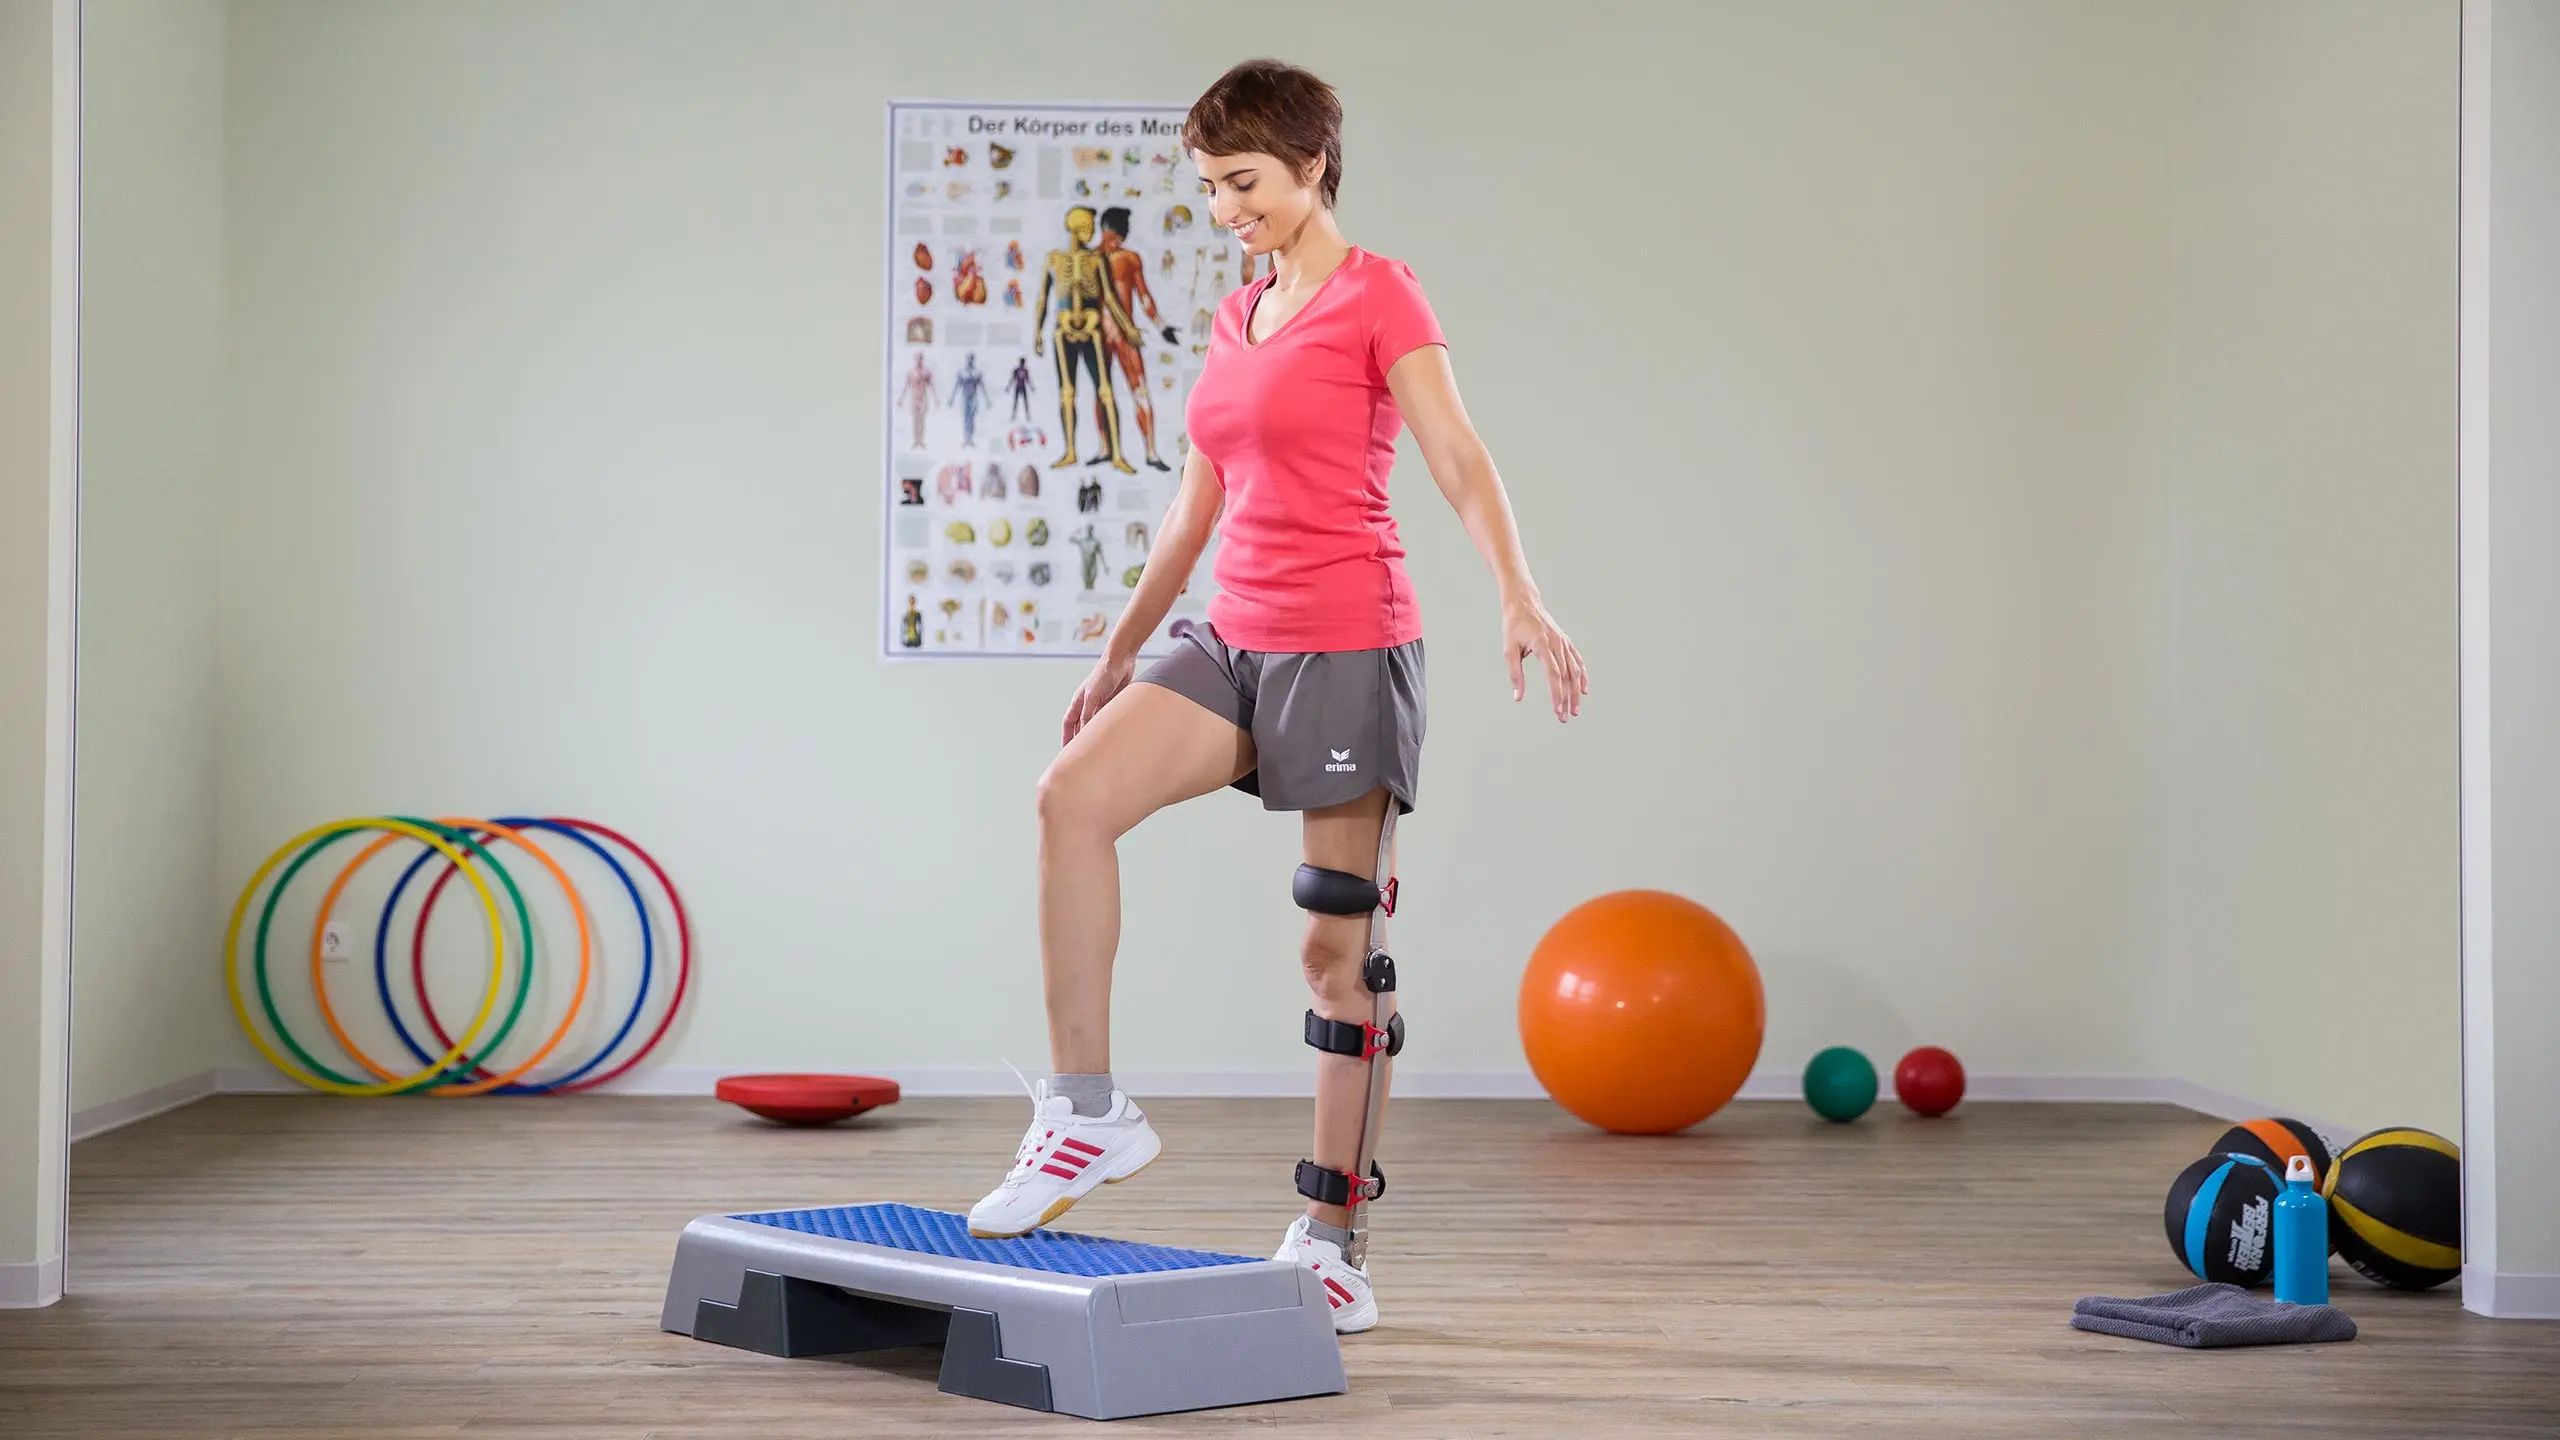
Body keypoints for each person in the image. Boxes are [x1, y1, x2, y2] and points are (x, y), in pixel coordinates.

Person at [968, 59, 1588, 1337]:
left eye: (1242, 183)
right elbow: (1193, 508)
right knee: (1068, 801)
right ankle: (1086, 1116)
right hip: (1232, 636)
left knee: (1333, 951)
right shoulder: (1236, 314)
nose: (1223, 210)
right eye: (1206, 188)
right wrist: (1117, 652)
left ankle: (1332, 1236)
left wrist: (1519, 593)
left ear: (1312, 166)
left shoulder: (1379, 295)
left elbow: (1456, 457)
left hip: (1347, 642)